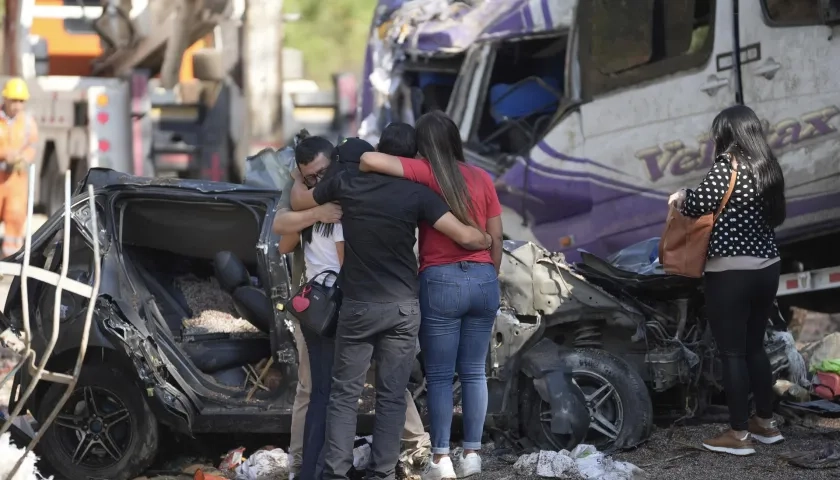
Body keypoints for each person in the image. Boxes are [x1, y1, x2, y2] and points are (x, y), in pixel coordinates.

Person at [294, 137, 491, 480]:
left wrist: (297, 176)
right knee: (391, 395)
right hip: (402, 308)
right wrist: (490, 239)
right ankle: (382, 471)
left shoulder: (345, 185)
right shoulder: (415, 194)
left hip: (358, 308)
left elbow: (299, 201)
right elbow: (467, 237)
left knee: (344, 395)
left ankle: (336, 472)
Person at [360, 111, 503, 479]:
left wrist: (409, 161)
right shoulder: (483, 177)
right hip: (484, 278)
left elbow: (369, 159)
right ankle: (472, 454)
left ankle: (441, 460)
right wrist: (489, 273)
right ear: (455, 140)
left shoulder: (425, 172)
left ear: (422, 147)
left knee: (439, 376)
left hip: (440, 281)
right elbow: (497, 237)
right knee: (474, 372)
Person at [669, 105, 786, 456]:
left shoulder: (727, 167)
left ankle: (737, 435)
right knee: (754, 347)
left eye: (719, 133)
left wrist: (681, 196)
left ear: (729, 135)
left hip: (731, 272)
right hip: (768, 267)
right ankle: (764, 423)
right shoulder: (769, 167)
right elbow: (778, 216)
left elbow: (697, 206)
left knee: (732, 353)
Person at [272, 132, 341, 479]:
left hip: (339, 307)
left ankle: (312, 468)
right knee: (319, 392)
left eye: (322, 173)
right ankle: (308, 466)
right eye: (310, 177)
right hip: (317, 309)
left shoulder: (345, 191)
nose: (318, 182)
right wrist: (317, 212)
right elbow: (282, 235)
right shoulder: (313, 206)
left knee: (329, 393)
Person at [0, 78, 38, 257]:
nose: (17, 105)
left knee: (15, 218)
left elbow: (32, 145)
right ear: (5, 99)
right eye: (13, 100)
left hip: (16, 179)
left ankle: (10, 260)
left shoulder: (28, 123)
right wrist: (5, 154)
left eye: (20, 101)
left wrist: (23, 158)